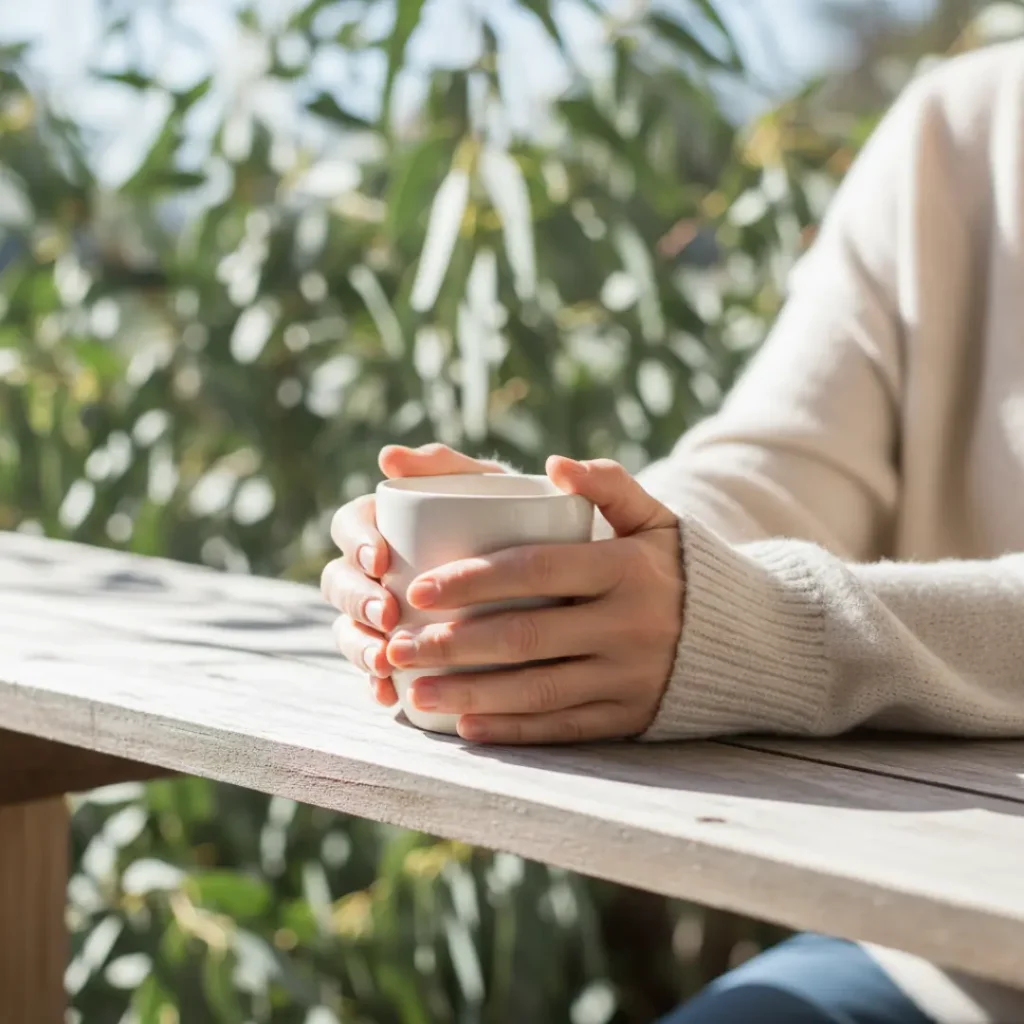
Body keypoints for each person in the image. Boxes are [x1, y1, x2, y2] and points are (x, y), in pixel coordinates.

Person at [320, 41, 1024, 1024]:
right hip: (949, 959)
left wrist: (775, 630)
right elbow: (783, 457)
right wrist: (592, 559)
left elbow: (771, 609)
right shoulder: (966, 124)